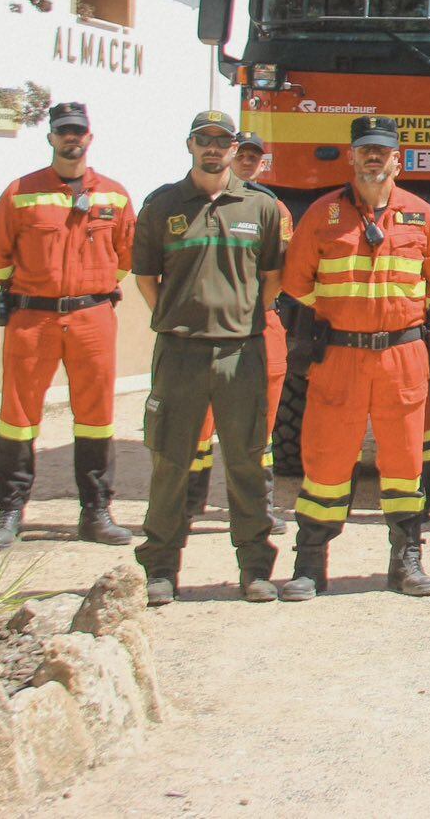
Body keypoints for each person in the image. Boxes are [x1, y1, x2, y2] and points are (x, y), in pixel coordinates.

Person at [280, 117, 430, 600]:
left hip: (402, 354)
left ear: (398, 159)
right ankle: (310, 565)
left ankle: (407, 562)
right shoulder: (322, 215)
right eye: (366, 150)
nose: (375, 158)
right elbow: (296, 282)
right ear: (352, 156)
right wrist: (345, 314)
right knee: (325, 461)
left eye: (384, 151)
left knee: (404, 462)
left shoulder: (422, 215)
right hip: (340, 354)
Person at [128, 111, 286, 605]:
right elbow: (145, 278)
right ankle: (160, 569)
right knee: (170, 461)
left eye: (222, 141)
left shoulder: (260, 207)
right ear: (190, 145)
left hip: (241, 352)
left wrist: (239, 318)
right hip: (179, 352)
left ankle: (256, 569)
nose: (213, 149)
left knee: (246, 461)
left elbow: (272, 279)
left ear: (235, 147)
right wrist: (178, 319)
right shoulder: (162, 206)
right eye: (204, 140)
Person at [0, 101, 137, 551]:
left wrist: (93, 290)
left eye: (79, 131)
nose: (72, 138)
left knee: (96, 416)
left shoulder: (115, 195)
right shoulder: (20, 192)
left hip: (92, 317)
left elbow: (126, 257)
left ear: (90, 137)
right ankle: (9, 514)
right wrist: (31, 290)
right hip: (33, 318)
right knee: (18, 416)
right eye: (64, 131)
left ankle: (96, 512)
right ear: (51, 137)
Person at [184, 131, 294, 534]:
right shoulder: (190, 202)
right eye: (242, 155)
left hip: (257, 322)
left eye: (254, 156)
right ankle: (189, 502)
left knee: (259, 421)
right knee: (198, 419)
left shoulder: (272, 208)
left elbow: (279, 271)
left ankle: (257, 507)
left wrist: (252, 311)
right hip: (204, 325)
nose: (246, 162)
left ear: (262, 162)